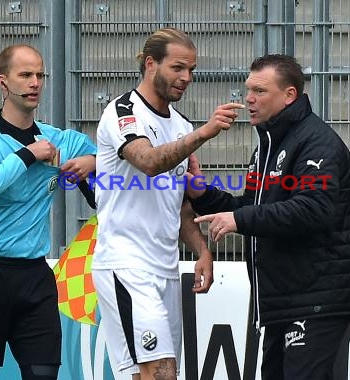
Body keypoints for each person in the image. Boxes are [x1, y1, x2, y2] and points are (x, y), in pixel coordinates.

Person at [186, 54, 350, 380]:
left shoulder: (317, 142)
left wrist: (239, 220)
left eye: (260, 91)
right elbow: (250, 205)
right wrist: (204, 195)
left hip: (316, 300)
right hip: (283, 301)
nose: (249, 99)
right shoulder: (267, 147)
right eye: (248, 90)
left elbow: (314, 208)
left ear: (289, 96)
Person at [91, 28, 244, 380]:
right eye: (177, 68)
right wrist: (204, 133)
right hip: (127, 264)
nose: (186, 78)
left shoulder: (180, 125)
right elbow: (148, 161)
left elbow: (178, 205)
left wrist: (201, 250)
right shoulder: (123, 112)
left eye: (191, 70)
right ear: (150, 64)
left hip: (165, 269)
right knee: (162, 373)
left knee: (148, 374)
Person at [0, 44, 97, 380]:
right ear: (3, 83)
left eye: (40, 75)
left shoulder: (60, 139)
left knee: (44, 374)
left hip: (34, 276)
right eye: (25, 75)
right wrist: (27, 155)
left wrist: (92, 162)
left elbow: (118, 160)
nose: (35, 82)